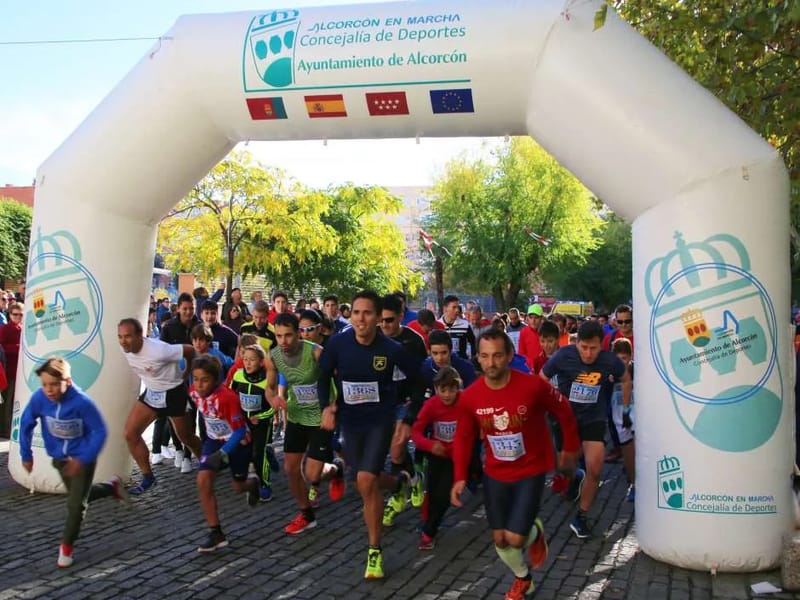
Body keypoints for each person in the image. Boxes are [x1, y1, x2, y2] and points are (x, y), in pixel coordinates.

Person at [451, 330, 580, 599]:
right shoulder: (471, 397)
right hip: (495, 472)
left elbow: (564, 411)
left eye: (497, 355)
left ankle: (531, 534)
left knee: (516, 538)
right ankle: (524, 579)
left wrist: (569, 449)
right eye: (485, 356)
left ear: (509, 355)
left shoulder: (532, 386)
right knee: (500, 539)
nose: (491, 363)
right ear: (477, 358)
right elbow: (463, 436)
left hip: (530, 470)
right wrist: (460, 476)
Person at [318, 290, 425, 579]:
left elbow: (419, 382)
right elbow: (322, 375)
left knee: (366, 479)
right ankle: (401, 481)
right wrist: (326, 406)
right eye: (356, 313)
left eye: (367, 313)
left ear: (378, 318)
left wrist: (409, 418)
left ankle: (374, 551)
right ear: (349, 315)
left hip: (380, 420)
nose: (361, 319)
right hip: (351, 423)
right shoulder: (337, 344)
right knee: (366, 480)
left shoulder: (391, 349)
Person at [19, 357, 128, 567]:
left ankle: (66, 548)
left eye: (53, 385)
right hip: (60, 459)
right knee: (80, 496)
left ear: (67, 381)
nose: (48, 390)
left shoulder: (82, 402)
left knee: (76, 505)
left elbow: (100, 431)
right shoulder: (39, 399)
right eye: (44, 385)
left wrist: (83, 458)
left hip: (83, 458)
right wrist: (26, 455)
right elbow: (26, 423)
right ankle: (111, 487)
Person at [541, 320, 630, 539]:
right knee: (564, 467)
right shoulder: (564, 356)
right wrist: (547, 405)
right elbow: (541, 379)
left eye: (594, 348)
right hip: (565, 419)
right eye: (584, 347)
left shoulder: (610, 361)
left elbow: (626, 378)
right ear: (576, 342)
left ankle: (581, 516)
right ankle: (574, 476)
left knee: (596, 468)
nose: (589, 354)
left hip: (593, 418)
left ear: (602, 346)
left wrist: (625, 408)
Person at [265, 313, 345, 534]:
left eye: (288, 335)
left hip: (321, 417)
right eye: (279, 336)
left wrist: (333, 407)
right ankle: (306, 514)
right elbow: (269, 388)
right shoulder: (273, 357)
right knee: (290, 469)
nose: (283, 341)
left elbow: (340, 378)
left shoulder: (316, 352)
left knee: (312, 474)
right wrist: (274, 399)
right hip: (297, 416)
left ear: (298, 333)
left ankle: (336, 468)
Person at [118, 318, 202, 493]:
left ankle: (207, 463)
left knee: (186, 437)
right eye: (120, 337)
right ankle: (148, 477)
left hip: (173, 393)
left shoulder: (160, 350)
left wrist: (186, 372)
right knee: (130, 434)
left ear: (140, 336)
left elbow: (190, 350)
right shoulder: (124, 348)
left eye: (127, 336)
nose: (123, 341)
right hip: (152, 393)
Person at [190, 355, 260, 552]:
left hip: (237, 443)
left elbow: (239, 431)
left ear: (215, 380)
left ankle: (251, 484)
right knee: (203, 480)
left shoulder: (228, 398)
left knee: (237, 487)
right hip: (213, 441)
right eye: (196, 379)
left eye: (205, 380)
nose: (199, 385)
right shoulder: (193, 393)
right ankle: (216, 532)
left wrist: (222, 453)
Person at [379, 293, 428, 527]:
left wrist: (414, 408)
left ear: (400, 316)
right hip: (381, 403)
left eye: (389, 320)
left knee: (398, 447)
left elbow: (421, 377)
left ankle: (397, 495)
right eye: (381, 320)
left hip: (406, 399)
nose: (385, 325)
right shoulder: (373, 338)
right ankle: (414, 478)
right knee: (394, 453)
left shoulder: (414, 340)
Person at [411, 366, 462, 550]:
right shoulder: (431, 405)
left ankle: (429, 532)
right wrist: (430, 445)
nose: (447, 395)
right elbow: (416, 432)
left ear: (458, 388)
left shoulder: (465, 402)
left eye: (452, 389)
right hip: (436, 454)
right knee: (432, 492)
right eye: (443, 390)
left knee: (443, 495)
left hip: (457, 456)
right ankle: (428, 521)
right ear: (436, 389)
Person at [228, 343, 277, 502]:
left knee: (258, 454)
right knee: (244, 452)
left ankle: (265, 484)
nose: (248, 363)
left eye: (252, 360)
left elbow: (274, 408)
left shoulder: (267, 380)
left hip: (261, 424)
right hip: (243, 423)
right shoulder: (238, 375)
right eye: (245, 359)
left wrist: (261, 417)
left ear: (262, 362)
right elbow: (230, 397)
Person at [610, 337, 635, 502]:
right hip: (619, 420)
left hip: (635, 417)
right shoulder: (610, 374)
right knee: (627, 453)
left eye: (624, 358)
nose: (621, 362)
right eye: (618, 359)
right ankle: (633, 483)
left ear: (630, 357)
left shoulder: (637, 371)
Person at [0, 301, 23, 437]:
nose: (18, 317)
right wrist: (18, 348)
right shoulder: (5, 329)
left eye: (21, 315)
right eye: (15, 315)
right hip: (8, 371)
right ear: (10, 315)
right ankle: (4, 429)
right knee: (7, 402)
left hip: (18, 371)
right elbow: (1, 347)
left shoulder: (22, 328)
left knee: (14, 401)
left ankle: (9, 427)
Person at [439, 295, 476, 360]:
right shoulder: (437, 325)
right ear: (445, 309)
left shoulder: (465, 325)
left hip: (461, 364)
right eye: (454, 307)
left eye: (458, 307)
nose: (457, 310)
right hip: (443, 364)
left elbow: (473, 342)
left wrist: (472, 359)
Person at [518, 304, 544, 371]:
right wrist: (530, 364)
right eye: (531, 317)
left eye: (536, 317)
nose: (533, 320)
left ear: (541, 318)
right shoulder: (524, 332)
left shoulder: (547, 331)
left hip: (545, 369)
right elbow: (521, 353)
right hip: (529, 369)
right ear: (527, 318)